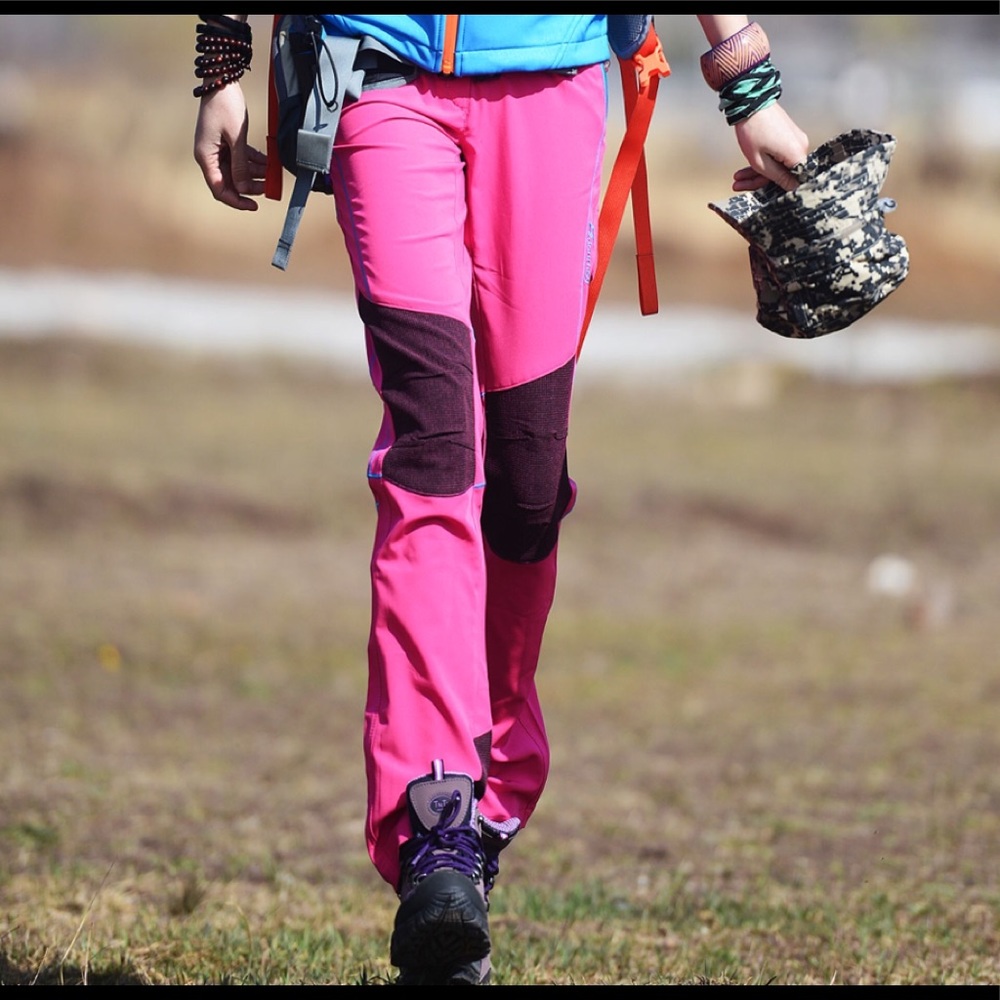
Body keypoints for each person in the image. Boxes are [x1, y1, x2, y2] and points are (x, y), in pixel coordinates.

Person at [193, 14, 809, 985]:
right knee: (430, 455)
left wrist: (749, 89)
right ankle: (433, 815)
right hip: (380, 77)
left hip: (552, 88)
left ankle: (487, 796)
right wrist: (221, 62)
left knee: (526, 486)